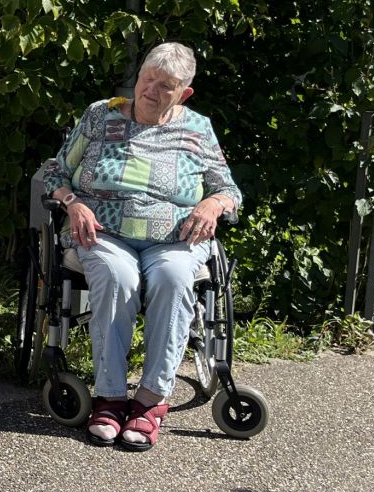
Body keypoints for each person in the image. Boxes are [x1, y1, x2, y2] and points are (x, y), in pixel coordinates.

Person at [44, 42, 242, 451]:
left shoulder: (197, 128)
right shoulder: (100, 115)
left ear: (183, 93)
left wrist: (212, 203)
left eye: (164, 85)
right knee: (117, 277)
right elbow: (55, 171)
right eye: (147, 78)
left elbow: (229, 190)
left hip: (175, 239)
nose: (150, 90)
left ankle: (151, 400)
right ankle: (111, 396)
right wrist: (72, 202)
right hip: (104, 233)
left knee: (172, 278)